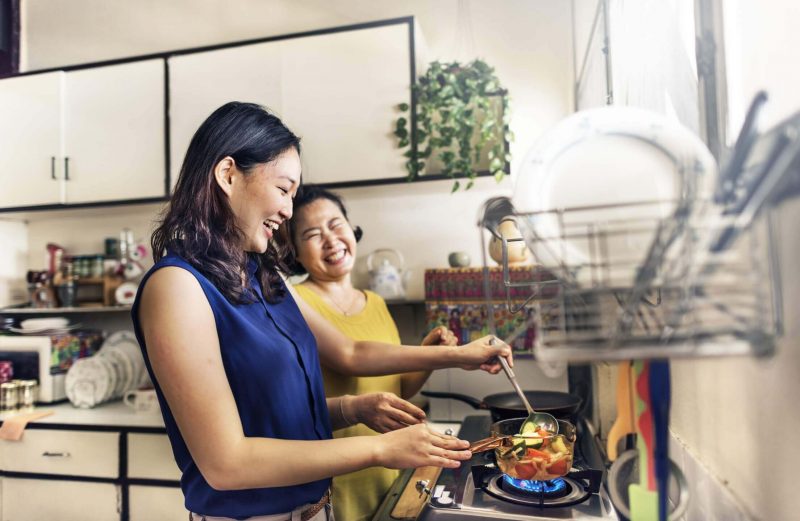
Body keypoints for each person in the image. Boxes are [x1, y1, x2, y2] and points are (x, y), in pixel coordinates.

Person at [132, 101, 513, 521]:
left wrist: (354, 408)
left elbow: (338, 360)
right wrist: (380, 449)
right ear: (227, 175)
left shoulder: (263, 278)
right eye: (282, 190)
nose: (288, 210)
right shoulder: (177, 288)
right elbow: (227, 463)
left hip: (317, 511)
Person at [287, 184, 458, 521]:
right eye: (312, 234)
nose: (330, 240)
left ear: (352, 229)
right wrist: (453, 356)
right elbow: (352, 355)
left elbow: (397, 390)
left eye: (336, 225)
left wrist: (428, 354)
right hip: (334, 478)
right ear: (294, 252)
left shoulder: (375, 302)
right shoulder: (293, 301)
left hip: (389, 469)